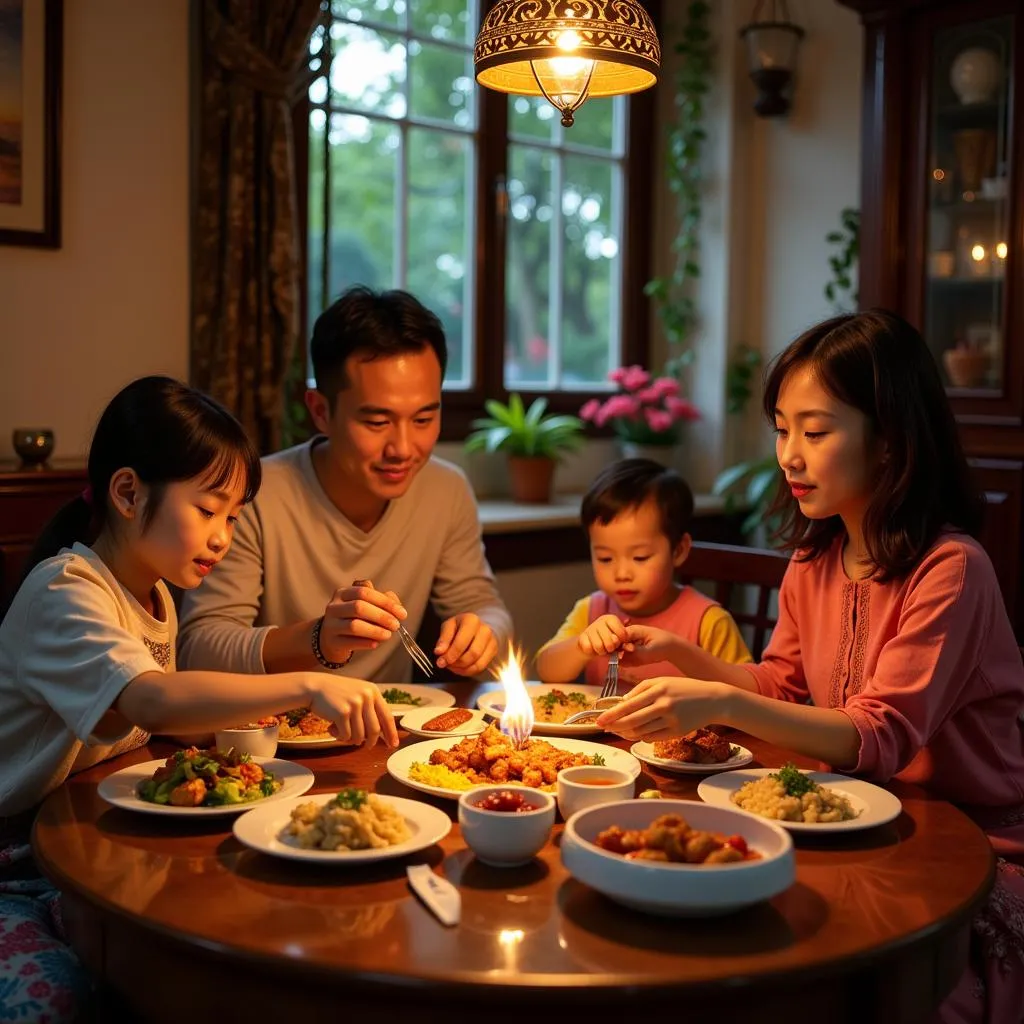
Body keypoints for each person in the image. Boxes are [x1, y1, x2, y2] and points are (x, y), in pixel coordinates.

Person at [596, 310, 1024, 1024]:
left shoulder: (951, 571)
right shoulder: (813, 559)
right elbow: (782, 686)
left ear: (889, 439)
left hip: (966, 849)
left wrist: (714, 704)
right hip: (856, 825)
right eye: (782, 428)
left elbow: (877, 736)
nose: (789, 455)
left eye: (815, 432)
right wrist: (679, 654)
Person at [0, 376, 398, 1022]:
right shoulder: (66, 592)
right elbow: (151, 702)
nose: (223, 535)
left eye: (234, 516)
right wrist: (307, 682)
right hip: (17, 864)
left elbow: (163, 717)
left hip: (79, 843)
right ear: (128, 493)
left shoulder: (152, 594)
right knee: (65, 999)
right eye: (208, 509)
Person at [177, 286, 511, 683]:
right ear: (320, 411)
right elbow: (199, 649)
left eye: (423, 419)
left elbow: (485, 608)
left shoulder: (446, 490)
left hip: (392, 729)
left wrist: (482, 637)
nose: (403, 449)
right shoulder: (252, 495)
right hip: (275, 733)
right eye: (376, 422)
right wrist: (317, 638)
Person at [534, 458, 751, 687]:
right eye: (605, 558)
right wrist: (582, 645)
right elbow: (546, 670)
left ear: (678, 550)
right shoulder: (591, 610)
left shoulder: (708, 621)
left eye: (640, 557)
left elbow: (747, 695)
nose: (622, 573)